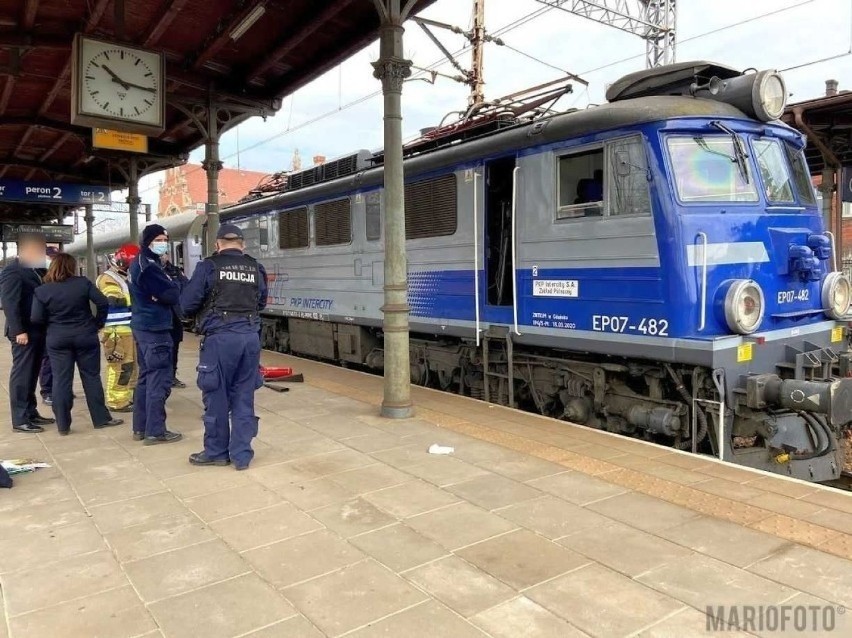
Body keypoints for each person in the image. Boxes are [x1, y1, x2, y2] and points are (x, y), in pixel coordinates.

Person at [181, 224, 267, 470]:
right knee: (244, 395)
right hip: (250, 338)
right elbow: (261, 301)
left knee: (216, 394)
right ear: (242, 244)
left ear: (217, 244)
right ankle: (241, 455)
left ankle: (217, 451)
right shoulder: (255, 267)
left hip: (220, 340)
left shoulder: (208, 266)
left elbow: (187, 304)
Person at [31, 254, 123, 435]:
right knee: (91, 377)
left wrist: (51, 327)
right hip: (85, 335)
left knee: (60, 380)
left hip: (58, 339)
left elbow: (36, 318)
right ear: (72, 267)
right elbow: (103, 302)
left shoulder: (42, 290)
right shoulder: (82, 283)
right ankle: (101, 419)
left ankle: (63, 425)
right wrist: (98, 323)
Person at [129, 224, 182, 445]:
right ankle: (155, 431)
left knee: (145, 378)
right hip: (155, 329)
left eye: (165, 239)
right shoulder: (149, 267)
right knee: (158, 380)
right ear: (149, 241)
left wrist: (163, 292)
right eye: (159, 239)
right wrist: (173, 285)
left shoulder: (139, 263)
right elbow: (172, 294)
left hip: (143, 327)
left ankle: (140, 427)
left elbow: (162, 293)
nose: (163, 243)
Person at [0, 232, 55, 433]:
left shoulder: (34, 270)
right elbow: (10, 303)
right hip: (23, 332)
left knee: (32, 373)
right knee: (22, 374)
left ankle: (31, 412)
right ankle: (20, 419)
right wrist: (18, 330)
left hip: (37, 330)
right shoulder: (12, 271)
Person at [96, 244, 140, 413]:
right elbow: (113, 298)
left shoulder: (124, 277)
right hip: (117, 332)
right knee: (121, 367)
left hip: (128, 329)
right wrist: (139, 299)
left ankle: (126, 397)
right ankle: (116, 402)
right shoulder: (108, 278)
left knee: (131, 367)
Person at [161, 252, 189, 388]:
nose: (163, 256)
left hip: (175, 316)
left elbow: (186, 287)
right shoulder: (150, 270)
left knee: (174, 347)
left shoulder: (176, 271)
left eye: (165, 253)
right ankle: (162, 376)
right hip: (159, 317)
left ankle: (171, 376)